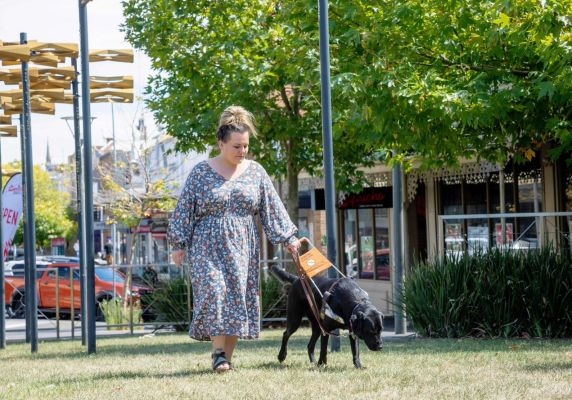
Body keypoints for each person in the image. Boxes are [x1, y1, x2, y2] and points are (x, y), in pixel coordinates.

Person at [168, 105, 301, 373]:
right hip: (206, 243)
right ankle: (218, 353)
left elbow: (271, 206)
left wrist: (289, 237)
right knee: (215, 292)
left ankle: (224, 358)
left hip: (243, 244)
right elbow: (184, 208)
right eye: (237, 146)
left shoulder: (256, 172)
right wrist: (178, 244)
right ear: (221, 143)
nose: (242, 152)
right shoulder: (200, 173)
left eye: (245, 146)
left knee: (237, 298)